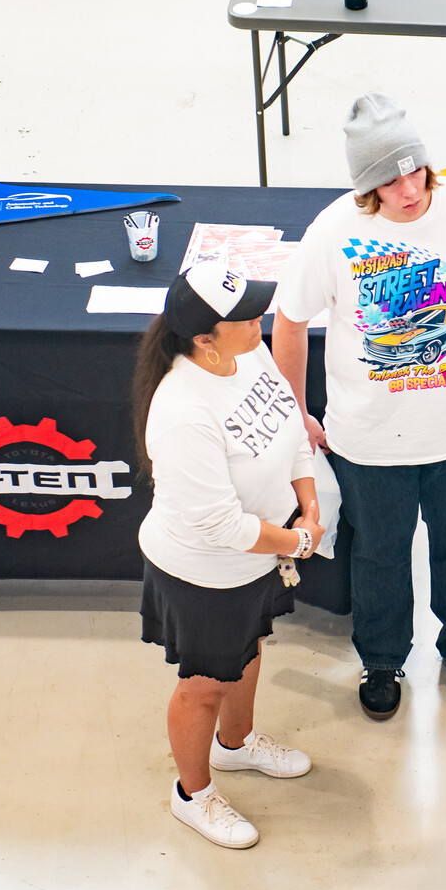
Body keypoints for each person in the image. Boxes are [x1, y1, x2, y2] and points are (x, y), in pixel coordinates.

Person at [273, 92, 446, 720]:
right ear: (367, 185)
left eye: (415, 168)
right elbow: (288, 319)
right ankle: (382, 660)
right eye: (389, 178)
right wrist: (297, 411)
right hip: (369, 443)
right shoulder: (336, 229)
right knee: (379, 554)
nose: (408, 187)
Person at [133, 261, 325, 851]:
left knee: (249, 648)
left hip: (261, 556)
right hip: (205, 573)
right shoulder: (182, 411)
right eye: (246, 315)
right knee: (205, 683)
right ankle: (192, 793)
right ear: (203, 338)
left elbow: (290, 426)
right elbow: (221, 525)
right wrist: (299, 541)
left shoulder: (250, 352)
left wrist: (310, 504)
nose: (261, 319)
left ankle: (235, 746)